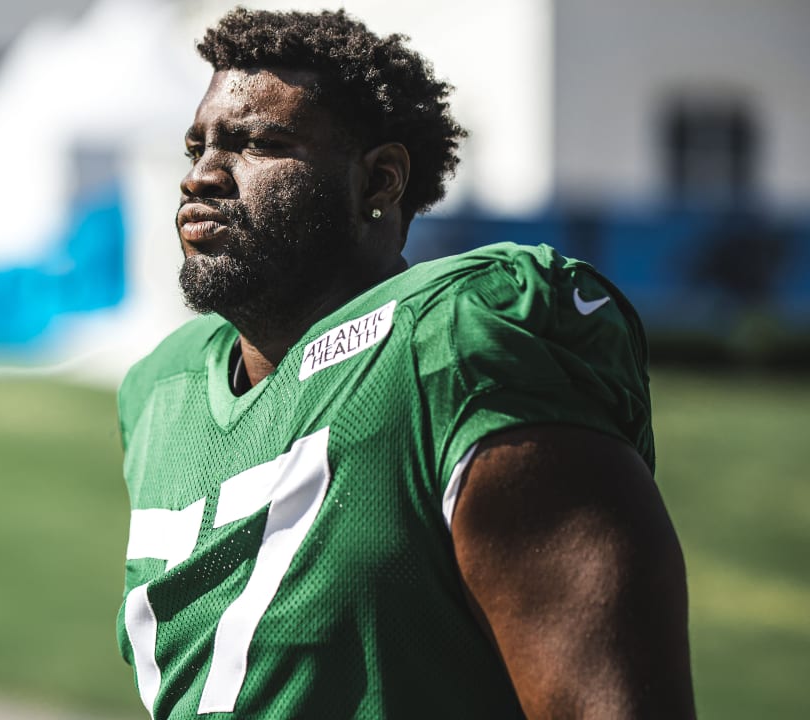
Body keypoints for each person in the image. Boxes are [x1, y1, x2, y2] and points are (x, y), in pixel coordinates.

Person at [116, 7, 694, 719]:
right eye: (196, 146)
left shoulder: (458, 343)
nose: (201, 176)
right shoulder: (159, 388)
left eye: (256, 143)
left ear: (381, 182)